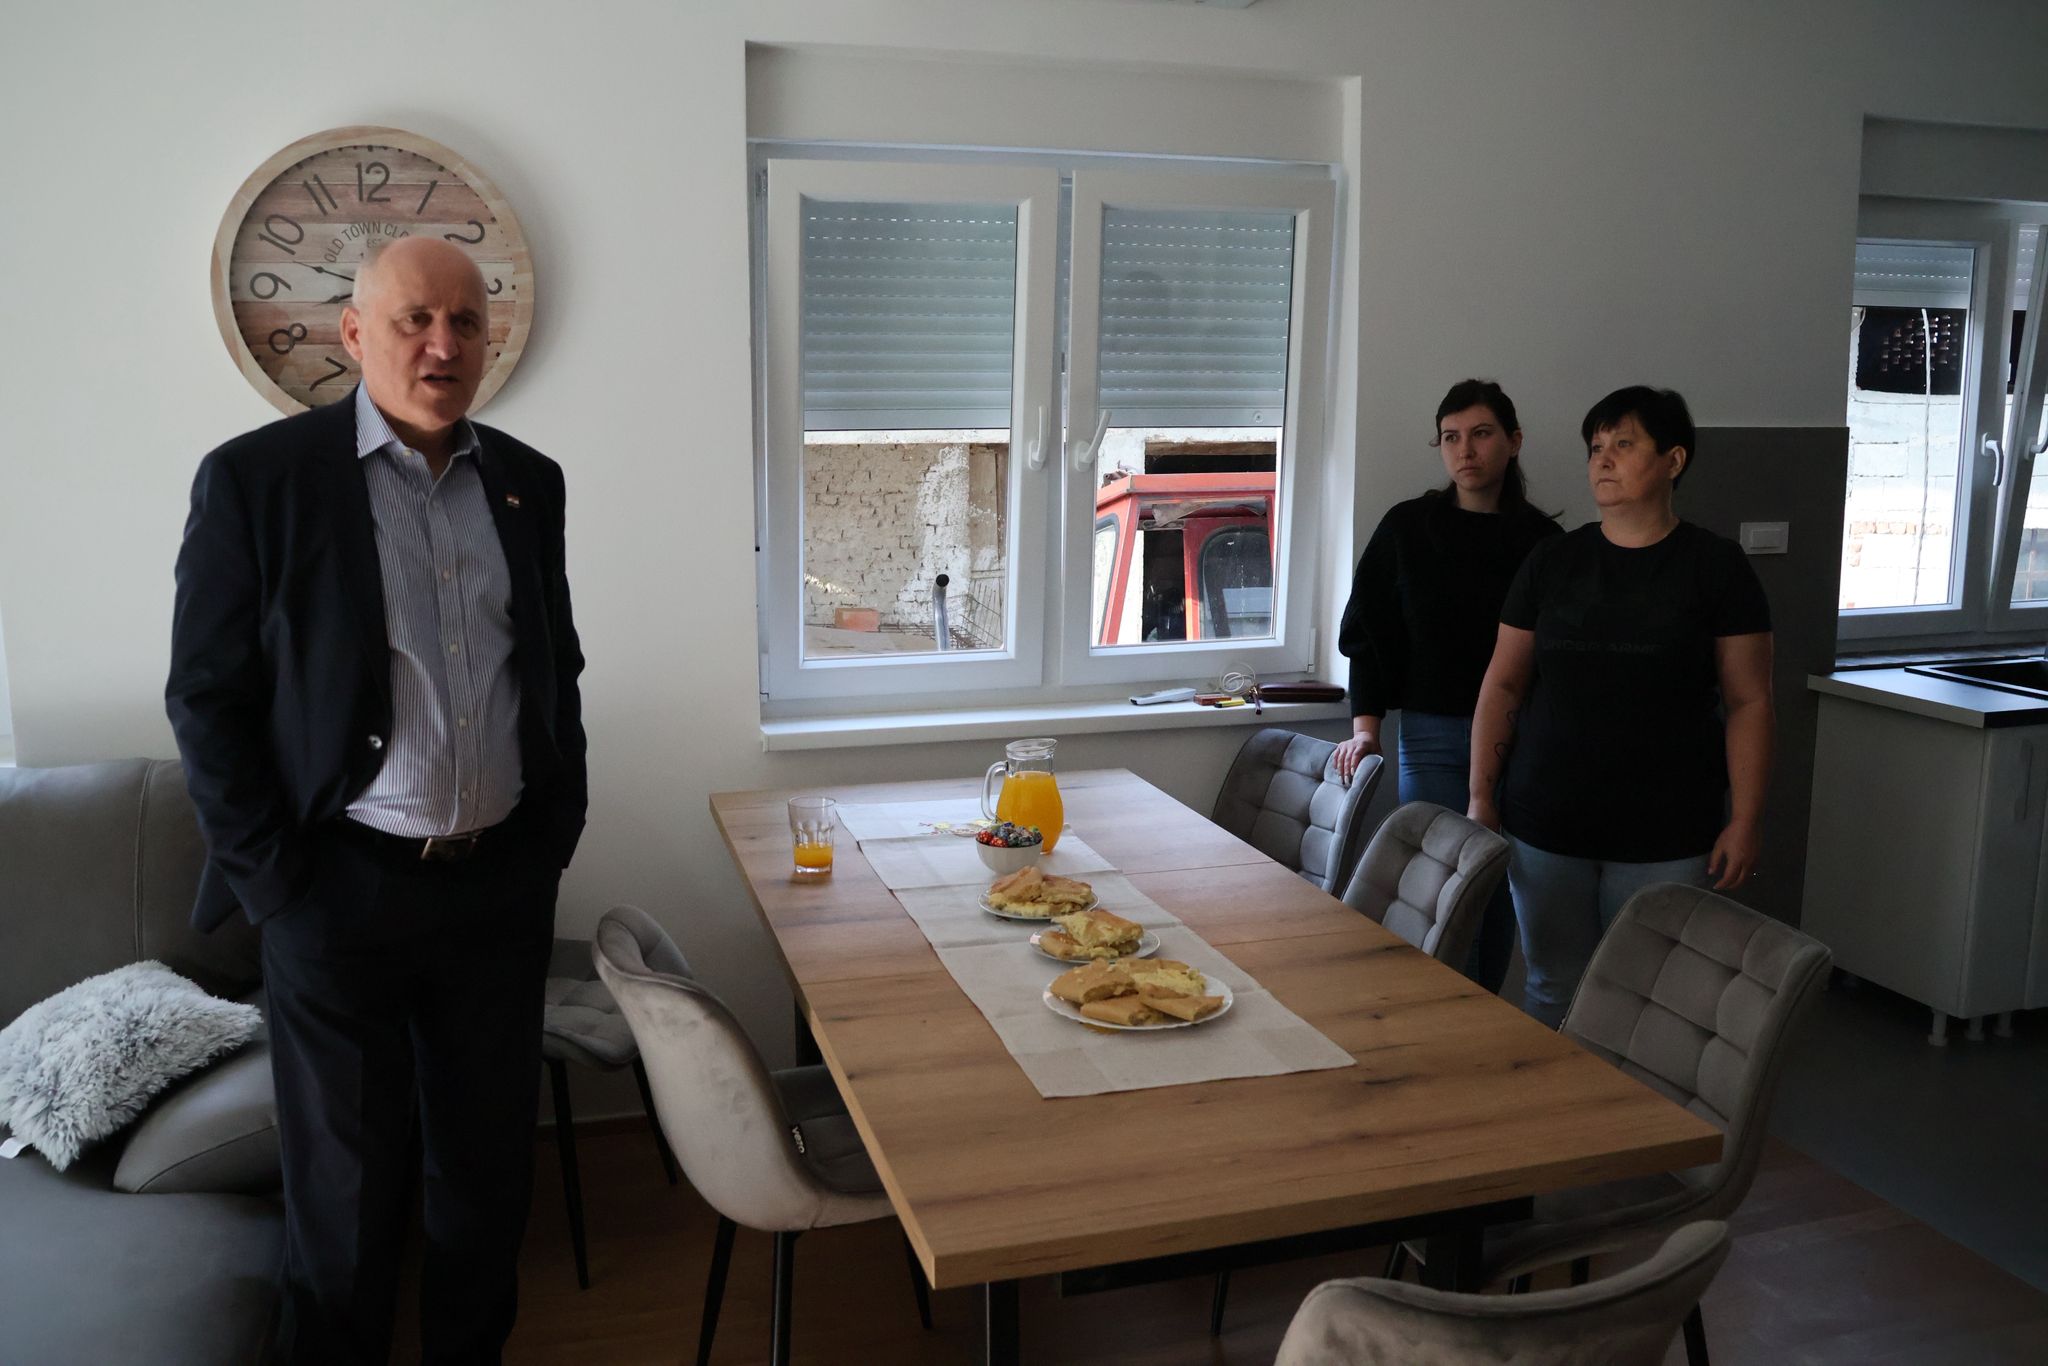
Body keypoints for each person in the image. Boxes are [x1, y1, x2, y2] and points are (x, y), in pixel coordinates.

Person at [166, 235, 587, 1364]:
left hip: (496, 888)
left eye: (466, 321)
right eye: (415, 319)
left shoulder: (528, 481)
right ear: (355, 334)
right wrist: (278, 889)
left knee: (484, 1184)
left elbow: (554, 665)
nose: (444, 344)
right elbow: (206, 699)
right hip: (336, 889)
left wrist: (551, 834)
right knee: (344, 1198)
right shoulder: (257, 480)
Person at [1468, 385, 1773, 1028]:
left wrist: (1745, 818)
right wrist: (1481, 795)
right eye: (1595, 447)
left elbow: (1749, 701)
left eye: (1624, 444)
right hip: (1546, 821)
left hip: (1668, 828)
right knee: (1553, 985)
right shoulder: (1553, 560)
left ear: (1673, 459)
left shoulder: (1716, 567)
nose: (1602, 460)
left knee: (1646, 999)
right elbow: (1503, 685)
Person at [1335, 379, 1560, 991]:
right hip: (1430, 735)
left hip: (1519, 742)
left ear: (1514, 441)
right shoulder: (1408, 528)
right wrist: (1365, 730)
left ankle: (1482, 1006)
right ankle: (1443, 1007)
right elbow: (1368, 631)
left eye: (1481, 434)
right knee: (1438, 885)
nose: (1465, 450)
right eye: (1451, 437)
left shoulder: (1543, 543)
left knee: (1501, 886)